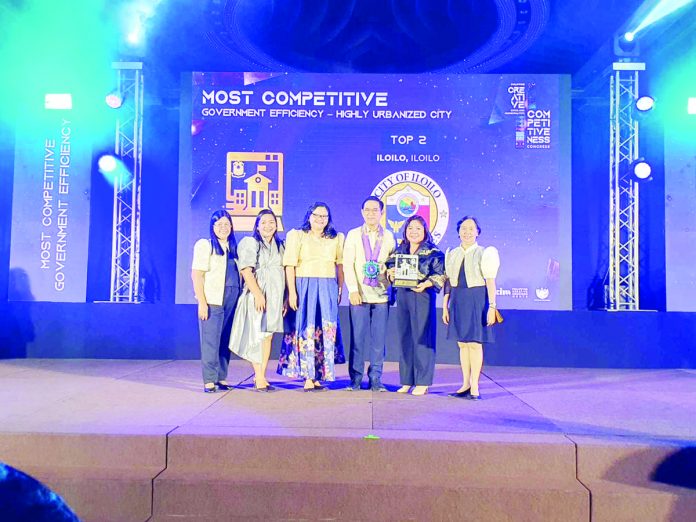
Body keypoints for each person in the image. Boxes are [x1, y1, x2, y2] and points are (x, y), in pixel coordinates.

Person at [278, 202, 346, 391]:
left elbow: (340, 266)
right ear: (309, 216)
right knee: (305, 329)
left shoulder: (337, 238)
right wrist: (291, 292)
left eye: (324, 216)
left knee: (325, 330)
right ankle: (307, 376)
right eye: (316, 215)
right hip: (304, 286)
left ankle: (320, 375)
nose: (320, 219)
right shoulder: (297, 236)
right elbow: (289, 265)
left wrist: (340, 289)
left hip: (327, 288)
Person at [386, 215, 445, 396]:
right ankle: (406, 380)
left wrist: (426, 284)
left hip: (423, 296)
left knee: (422, 337)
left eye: (418, 228)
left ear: (425, 231)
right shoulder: (400, 250)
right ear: (405, 231)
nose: (413, 231)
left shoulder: (433, 251)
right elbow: (388, 267)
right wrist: (391, 273)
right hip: (403, 295)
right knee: (405, 337)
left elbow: (440, 274)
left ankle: (423, 381)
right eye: (410, 228)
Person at [442, 216, 500, 400]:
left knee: (474, 343)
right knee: (462, 344)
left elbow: (490, 281)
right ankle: (465, 383)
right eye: (463, 228)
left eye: (471, 228)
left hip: (477, 299)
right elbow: (449, 282)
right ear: (458, 231)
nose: (467, 232)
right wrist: (445, 306)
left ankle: (475, 385)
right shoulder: (452, 253)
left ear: (478, 232)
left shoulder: (484, 253)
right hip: (458, 300)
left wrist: (492, 306)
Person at [343, 196, 396, 391]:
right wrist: (353, 290)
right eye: (368, 210)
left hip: (381, 295)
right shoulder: (353, 234)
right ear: (362, 212)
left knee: (378, 341)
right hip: (360, 295)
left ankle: (376, 378)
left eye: (375, 210)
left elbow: (392, 264)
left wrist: (391, 275)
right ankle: (355, 379)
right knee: (357, 339)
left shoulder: (389, 236)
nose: (371, 213)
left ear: (382, 213)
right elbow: (347, 264)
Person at [229, 209, 286, 392]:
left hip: (276, 297)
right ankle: (259, 376)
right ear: (257, 226)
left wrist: (284, 299)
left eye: (271, 222)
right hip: (257, 295)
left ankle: (262, 375)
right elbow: (246, 270)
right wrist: (258, 294)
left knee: (267, 337)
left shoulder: (281, 245)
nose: (268, 226)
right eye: (264, 223)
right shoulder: (251, 243)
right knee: (256, 335)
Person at [191, 210, 241, 393]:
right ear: (212, 227)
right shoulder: (205, 245)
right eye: (219, 224)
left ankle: (221, 376)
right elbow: (197, 275)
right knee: (211, 340)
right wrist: (202, 302)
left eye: (226, 224)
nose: (223, 228)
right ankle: (209, 379)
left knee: (225, 340)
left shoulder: (234, 248)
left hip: (232, 299)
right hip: (213, 300)